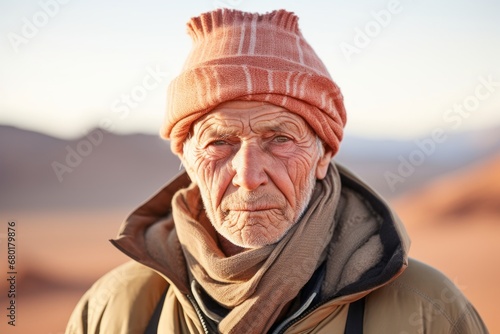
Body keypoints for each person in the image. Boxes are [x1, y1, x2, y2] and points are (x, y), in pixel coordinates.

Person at [66, 8, 488, 334]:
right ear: (187, 159)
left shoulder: (427, 309)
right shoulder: (113, 309)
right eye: (219, 142)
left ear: (323, 155)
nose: (249, 176)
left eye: (280, 140)